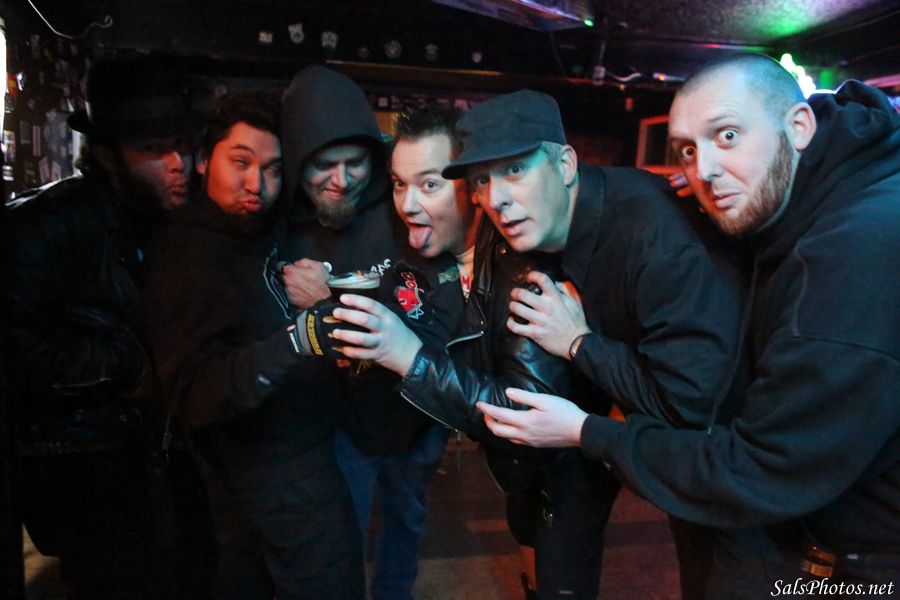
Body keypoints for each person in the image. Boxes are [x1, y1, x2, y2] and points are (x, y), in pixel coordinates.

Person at [480, 54, 900, 596]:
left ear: (800, 126)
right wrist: (725, 204)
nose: (703, 171)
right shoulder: (833, 186)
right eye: (687, 150)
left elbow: (756, 469)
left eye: (727, 135)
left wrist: (584, 415)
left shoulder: (846, 261)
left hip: (858, 561)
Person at [422, 88, 747, 599]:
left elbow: (687, 406)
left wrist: (577, 343)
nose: (496, 198)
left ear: (566, 165)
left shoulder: (654, 239)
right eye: (482, 180)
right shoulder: (529, 227)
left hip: (733, 454)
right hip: (630, 433)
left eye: (515, 170)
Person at [334, 105, 621, 600]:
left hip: (564, 480)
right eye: (399, 185)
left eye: (429, 184)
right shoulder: (441, 260)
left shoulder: (523, 271)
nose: (407, 204)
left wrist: (407, 357)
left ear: (470, 186)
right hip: (521, 480)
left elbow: (524, 415)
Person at [145, 93, 364, 599]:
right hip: (270, 474)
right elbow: (192, 389)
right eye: (240, 162)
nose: (256, 185)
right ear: (204, 161)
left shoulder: (254, 229)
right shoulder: (187, 253)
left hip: (303, 461)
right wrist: (295, 341)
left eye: (272, 170)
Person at [2, 55, 203, 600]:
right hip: (92, 475)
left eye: (180, 145)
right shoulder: (47, 227)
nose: (177, 164)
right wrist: (128, 364)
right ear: (108, 156)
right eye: (153, 149)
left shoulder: (178, 224)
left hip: (165, 469)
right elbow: (16, 349)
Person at [279, 65, 447, 600]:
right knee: (341, 535)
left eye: (354, 162)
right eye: (322, 165)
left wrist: (326, 303)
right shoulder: (282, 227)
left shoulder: (401, 210)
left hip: (413, 413)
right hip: (336, 422)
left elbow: (432, 308)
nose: (341, 179)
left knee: (406, 524)